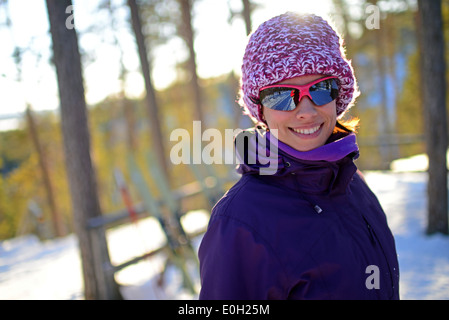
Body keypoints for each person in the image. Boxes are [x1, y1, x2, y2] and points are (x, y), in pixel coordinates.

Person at [198, 12, 399, 300]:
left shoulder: (354, 185)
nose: (305, 111)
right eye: (282, 95)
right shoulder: (240, 223)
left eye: (320, 89)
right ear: (261, 110)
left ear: (337, 95)